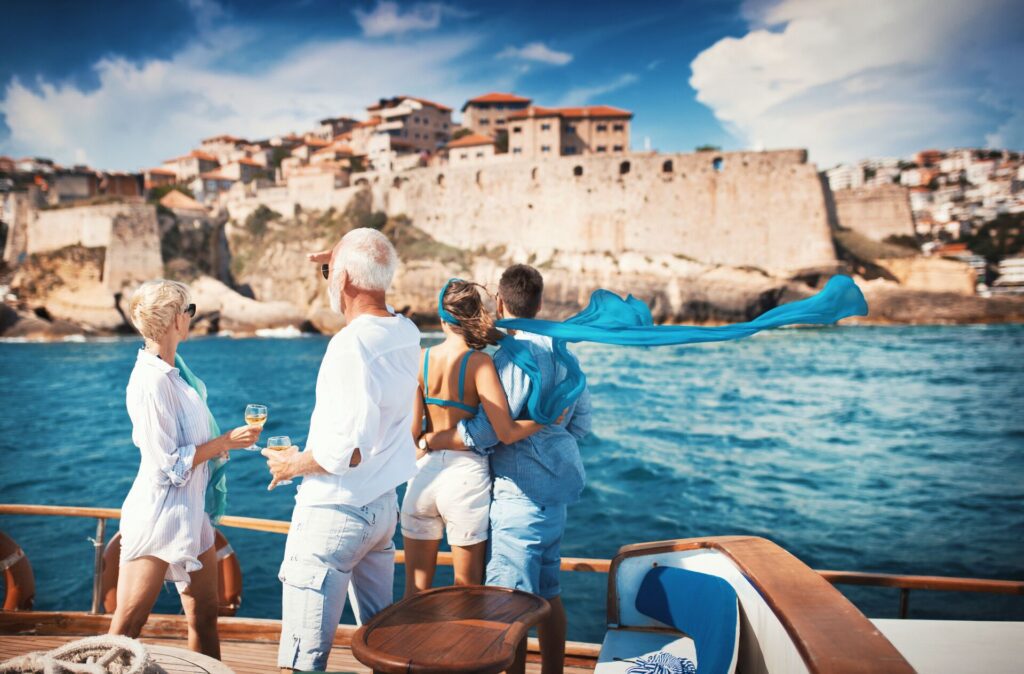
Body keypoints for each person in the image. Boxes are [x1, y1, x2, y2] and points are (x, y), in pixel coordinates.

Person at [262, 228, 421, 673]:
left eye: (329, 273)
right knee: (384, 649)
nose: (326, 280)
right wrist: (348, 259)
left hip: (335, 515)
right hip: (381, 511)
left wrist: (292, 464)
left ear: (345, 277)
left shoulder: (350, 345)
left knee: (303, 660)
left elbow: (348, 452)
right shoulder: (406, 331)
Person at [425, 264, 591, 674]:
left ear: (500, 303)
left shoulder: (516, 357)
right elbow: (581, 425)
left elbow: (487, 432)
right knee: (549, 596)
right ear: (539, 303)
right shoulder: (563, 351)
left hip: (520, 498)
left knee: (507, 607)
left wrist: (435, 438)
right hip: (556, 499)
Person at [110, 280, 263, 659]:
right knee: (128, 626)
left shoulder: (175, 372)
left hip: (194, 515)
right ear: (175, 319)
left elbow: (190, 447)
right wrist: (224, 442)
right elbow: (166, 466)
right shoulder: (151, 383)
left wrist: (225, 443)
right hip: (159, 516)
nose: (192, 317)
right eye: (189, 310)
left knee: (205, 616)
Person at [402, 279, 550, 596]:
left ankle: (406, 647)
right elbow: (505, 432)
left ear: (442, 317)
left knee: (413, 593)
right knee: (467, 594)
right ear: (473, 318)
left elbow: (413, 435)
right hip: (465, 481)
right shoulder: (480, 363)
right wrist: (544, 421)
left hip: (421, 479)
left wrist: (427, 447)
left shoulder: (419, 359)